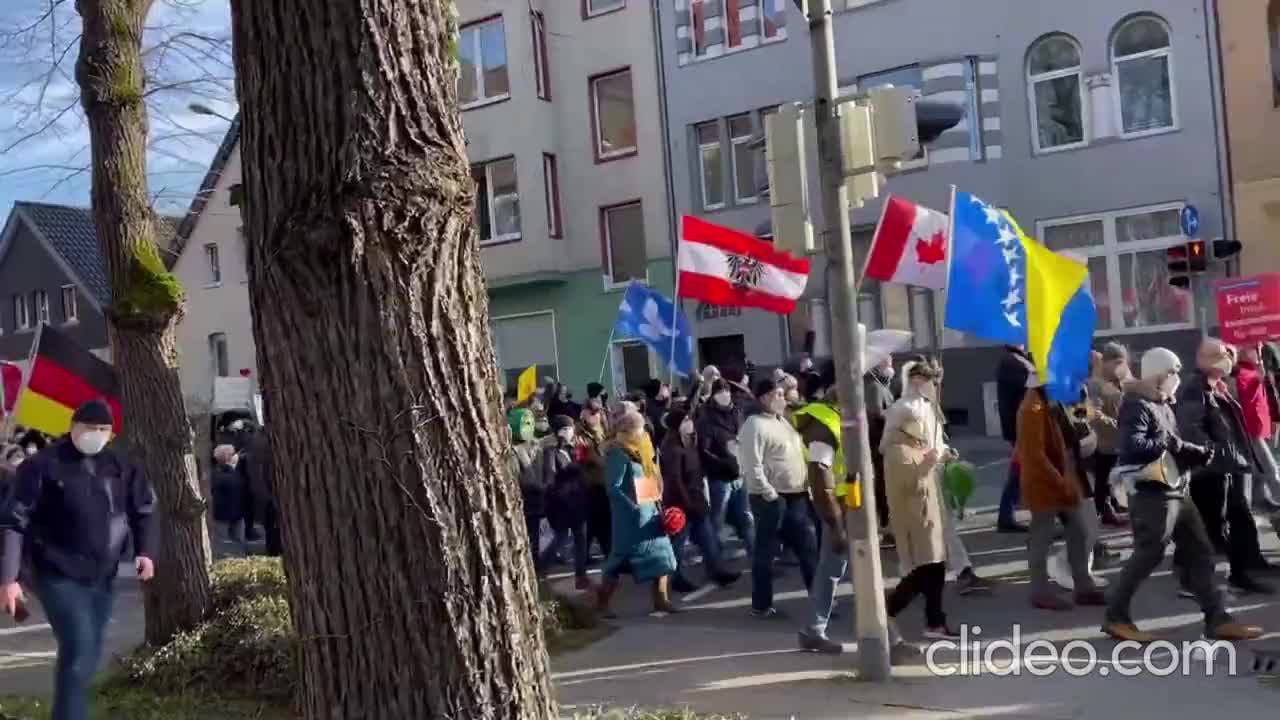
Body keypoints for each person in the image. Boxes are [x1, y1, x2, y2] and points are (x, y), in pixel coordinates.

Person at [1, 400, 157, 720]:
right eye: (89, 428)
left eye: (103, 430)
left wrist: (145, 552)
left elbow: (143, 510)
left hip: (102, 575)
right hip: (55, 572)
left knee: (87, 654)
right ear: (73, 427)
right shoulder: (42, 466)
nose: (96, 435)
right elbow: (15, 522)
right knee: (80, 645)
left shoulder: (120, 466)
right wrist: (9, 579)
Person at [1103, 348, 1264, 642]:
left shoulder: (1163, 403)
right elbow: (1132, 445)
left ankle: (1217, 619)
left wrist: (1196, 454)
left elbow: (1173, 447)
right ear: (1158, 374)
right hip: (1153, 493)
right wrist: (1175, 444)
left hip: (1176, 489)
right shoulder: (1137, 405)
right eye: (1172, 372)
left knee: (1200, 552)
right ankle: (1116, 617)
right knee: (1147, 555)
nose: (1177, 378)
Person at [1177, 339, 1275, 593]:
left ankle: (1242, 571)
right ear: (1203, 360)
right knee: (1212, 526)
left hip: (1227, 466)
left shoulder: (1217, 385)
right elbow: (1191, 429)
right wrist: (1215, 452)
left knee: (1239, 517)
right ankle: (1194, 579)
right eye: (1220, 355)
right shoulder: (1194, 388)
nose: (1227, 359)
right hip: (1210, 470)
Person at [881, 360, 960, 640]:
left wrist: (942, 453)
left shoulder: (922, 426)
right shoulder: (896, 447)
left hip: (929, 507)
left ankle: (935, 620)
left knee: (935, 565)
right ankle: (887, 610)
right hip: (914, 512)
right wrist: (929, 461)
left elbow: (932, 447)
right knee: (925, 568)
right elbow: (909, 481)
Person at [1016, 370, 1106, 611]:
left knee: (1080, 531)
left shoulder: (1048, 400)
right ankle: (1040, 592)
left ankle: (1083, 586)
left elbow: (1069, 425)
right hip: (1046, 481)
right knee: (1041, 537)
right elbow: (1035, 454)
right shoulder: (1031, 408)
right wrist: (1060, 481)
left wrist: (1086, 413)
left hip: (1063, 476)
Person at [740, 378, 817, 619]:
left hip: (797, 495)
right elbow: (751, 464)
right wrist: (767, 491)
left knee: (807, 546)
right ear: (764, 397)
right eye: (779, 394)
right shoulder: (754, 425)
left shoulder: (783, 421)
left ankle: (820, 600)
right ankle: (761, 605)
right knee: (766, 551)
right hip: (772, 498)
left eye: (784, 394)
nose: (783, 398)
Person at [794, 361, 857, 652]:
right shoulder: (824, 423)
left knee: (837, 568)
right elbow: (820, 477)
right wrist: (835, 525)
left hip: (849, 504)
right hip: (839, 509)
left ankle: (815, 629)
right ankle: (815, 630)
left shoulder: (838, 417)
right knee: (835, 567)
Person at [595, 408, 679, 616]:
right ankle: (603, 604)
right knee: (618, 562)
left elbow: (649, 478)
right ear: (629, 430)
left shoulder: (643, 451)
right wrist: (630, 506)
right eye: (640, 429)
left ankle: (661, 599)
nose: (643, 433)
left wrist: (659, 502)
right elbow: (612, 488)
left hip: (650, 512)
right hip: (630, 519)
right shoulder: (618, 453)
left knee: (664, 556)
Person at [660, 408, 739, 591]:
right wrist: (687, 504)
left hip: (697, 500)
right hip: (682, 504)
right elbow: (675, 480)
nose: (690, 422)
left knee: (708, 539)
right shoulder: (672, 448)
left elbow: (701, 466)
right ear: (676, 425)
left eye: (690, 419)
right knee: (678, 545)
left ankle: (716, 571)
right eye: (685, 420)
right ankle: (675, 577)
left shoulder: (690, 443)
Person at [697, 378, 755, 560]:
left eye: (727, 391)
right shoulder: (706, 418)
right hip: (720, 477)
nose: (724, 394)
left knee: (747, 517)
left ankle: (756, 554)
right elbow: (704, 450)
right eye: (720, 391)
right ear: (713, 395)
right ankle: (715, 557)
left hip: (741, 473)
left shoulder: (737, 412)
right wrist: (724, 463)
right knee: (718, 519)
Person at [542, 415, 592, 588]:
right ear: (560, 431)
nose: (571, 432)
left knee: (581, 540)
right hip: (562, 504)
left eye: (571, 428)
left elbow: (584, 467)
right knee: (560, 539)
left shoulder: (574, 449)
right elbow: (551, 475)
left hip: (579, 500)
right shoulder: (551, 451)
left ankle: (581, 575)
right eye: (567, 428)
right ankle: (540, 568)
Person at [1088, 342, 1131, 526]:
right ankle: (1100, 514)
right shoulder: (1096, 385)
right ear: (1107, 362)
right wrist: (1116, 424)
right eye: (1118, 362)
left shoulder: (1114, 383)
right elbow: (1093, 415)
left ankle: (1108, 508)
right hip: (1103, 443)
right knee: (1102, 481)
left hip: (1112, 442)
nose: (1121, 367)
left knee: (1108, 480)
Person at [1236, 344, 1280, 516]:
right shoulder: (1243, 374)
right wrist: (1259, 377)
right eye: (1254, 349)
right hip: (1252, 430)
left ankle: (1260, 499)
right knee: (1269, 468)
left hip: (1262, 426)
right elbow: (1243, 397)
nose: (1258, 353)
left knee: (1261, 469)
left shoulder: (1256, 370)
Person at [995, 346, 1032, 532]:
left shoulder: (1018, 359)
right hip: (1020, 427)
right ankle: (1005, 517)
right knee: (1019, 471)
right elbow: (1027, 388)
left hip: (1022, 425)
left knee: (1022, 471)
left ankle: (1007, 516)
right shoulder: (1011, 362)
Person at [509, 408, 548, 569]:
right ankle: (532, 561)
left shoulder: (537, 445)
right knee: (530, 531)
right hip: (527, 498)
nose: (527, 426)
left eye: (529, 422)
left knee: (542, 532)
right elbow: (515, 477)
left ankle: (539, 558)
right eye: (523, 423)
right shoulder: (513, 450)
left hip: (542, 496)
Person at [865, 356, 896, 536]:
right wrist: (895, 414)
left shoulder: (883, 386)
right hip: (878, 441)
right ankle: (884, 523)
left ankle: (887, 520)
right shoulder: (875, 387)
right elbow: (876, 412)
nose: (891, 368)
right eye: (888, 364)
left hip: (885, 440)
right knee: (882, 483)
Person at [579, 405, 612, 559]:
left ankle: (606, 552)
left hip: (605, 483)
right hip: (591, 485)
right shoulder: (580, 435)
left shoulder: (605, 431)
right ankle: (589, 554)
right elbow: (581, 459)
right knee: (595, 523)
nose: (594, 416)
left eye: (596, 412)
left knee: (602, 523)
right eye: (590, 412)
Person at [210, 444, 248, 556]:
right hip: (226, 516)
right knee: (226, 545)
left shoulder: (224, 472)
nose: (236, 456)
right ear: (227, 458)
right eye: (233, 454)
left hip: (233, 514)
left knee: (235, 544)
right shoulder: (224, 474)